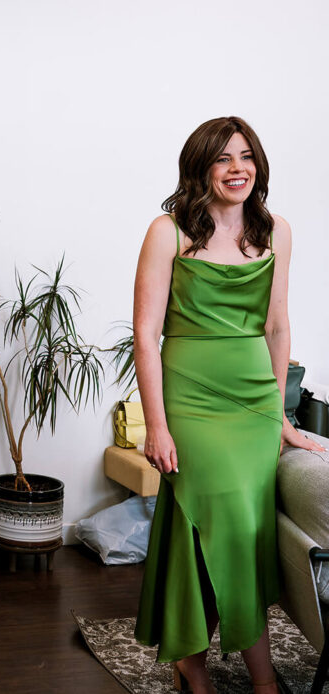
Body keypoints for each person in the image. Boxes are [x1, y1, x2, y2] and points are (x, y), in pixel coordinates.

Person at [132, 116, 325, 693]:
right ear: (201, 167)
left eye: (247, 156)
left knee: (239, 532)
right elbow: (145, 335)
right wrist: (156, 427)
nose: (238, 168)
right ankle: (259, 676)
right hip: (190, 399)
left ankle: (191, 660)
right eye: (223, 158)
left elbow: (277, 325)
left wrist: (281, 415)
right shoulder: (167, 232)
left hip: (254, 404)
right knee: (230, 524)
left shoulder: (276, 231)